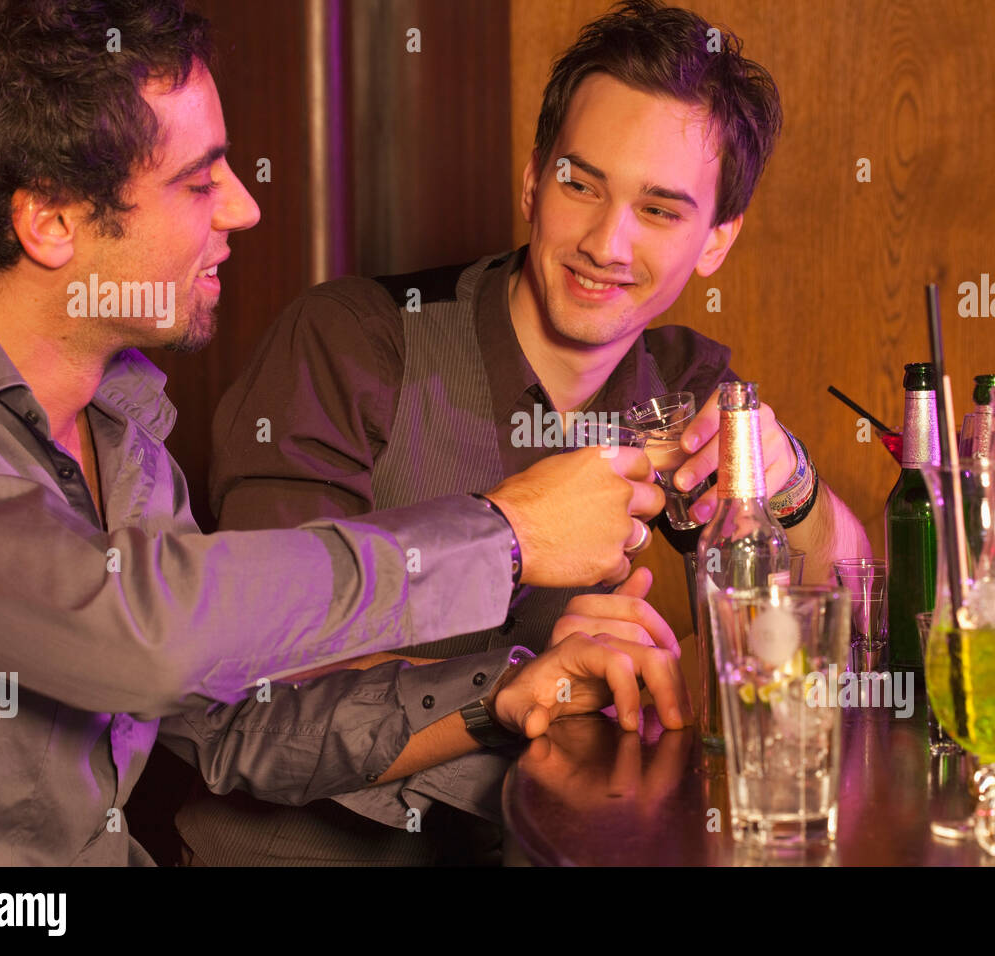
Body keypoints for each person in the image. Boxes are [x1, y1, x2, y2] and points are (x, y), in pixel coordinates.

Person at [0, 0, 689, 866]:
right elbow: (144, 630)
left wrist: (501, 695)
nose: (243, 209)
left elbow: (238, 725)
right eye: (200, 180)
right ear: (51, 220)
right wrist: (507, 535)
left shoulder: (123, 440)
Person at [176, 0, 871, 864]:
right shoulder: (354, 342)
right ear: (534, 178)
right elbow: (258, 678)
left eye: (659, 210)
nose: (606, 243)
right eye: (581, 183)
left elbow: (844, 600)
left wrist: (793, 483)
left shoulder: (688, 386)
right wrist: (515, 677)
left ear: (717, 240)